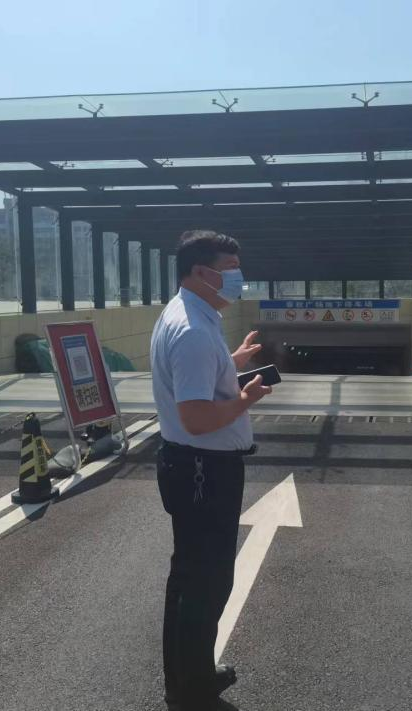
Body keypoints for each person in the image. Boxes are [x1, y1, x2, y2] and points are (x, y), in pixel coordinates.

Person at [150, 230, 273, 711]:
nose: (238, 277)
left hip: (189, 465)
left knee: (189, 578)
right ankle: (192, 689)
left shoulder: (188, 314)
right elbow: (198, 418)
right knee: (207, 582)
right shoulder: (195, 332)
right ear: (201, 272)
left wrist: (231, 362)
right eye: (230, 268)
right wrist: (246, 397)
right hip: (204, 470)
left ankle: (188, 678)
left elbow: (197, 385)